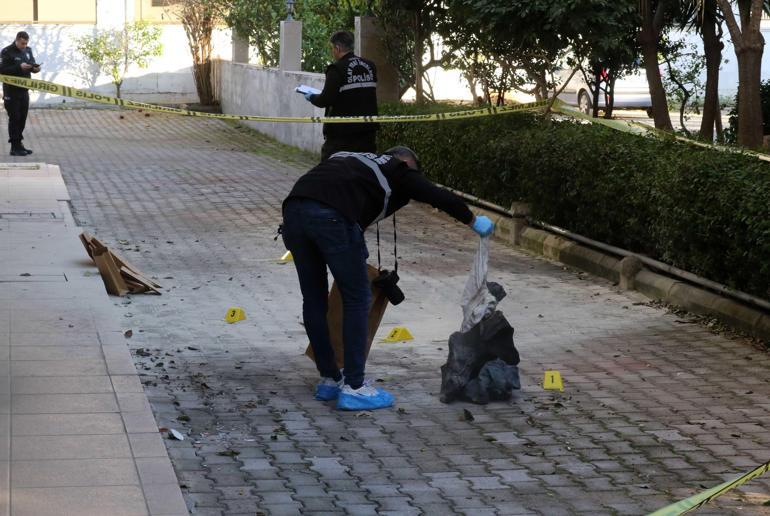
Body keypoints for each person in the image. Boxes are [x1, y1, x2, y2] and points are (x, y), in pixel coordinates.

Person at [281, 146, 495, 411]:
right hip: (332, 218)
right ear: (407, 163)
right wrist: (474, 221)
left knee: (313, 299)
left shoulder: (349, 157)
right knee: (358, 298)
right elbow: (436, 195)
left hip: (293, 212)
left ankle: (329, 380)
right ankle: (355, 387)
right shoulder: (398, 168)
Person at [303, 31, 378, 161]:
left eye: (332, 48)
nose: (332, 51)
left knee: (332, 172)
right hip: (367, 132)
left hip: (342, 135)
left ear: (337, 48)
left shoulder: (336, 69)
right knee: (364, 171)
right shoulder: (370, 66)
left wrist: (312, 97)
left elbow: (325, 99)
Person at [1, 31, 40, 156]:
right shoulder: (7, 52)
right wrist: (19, 67)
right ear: (17, 40)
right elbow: (2, 70)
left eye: (26, 43)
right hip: (11, 91)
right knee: (15, 118)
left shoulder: (28, 50)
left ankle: (19, 144)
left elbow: (32, 64)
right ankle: (14, 147)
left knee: (22, 118)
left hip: (24, 90)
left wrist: (35, 69)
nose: (24, 45)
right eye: (22, 43)